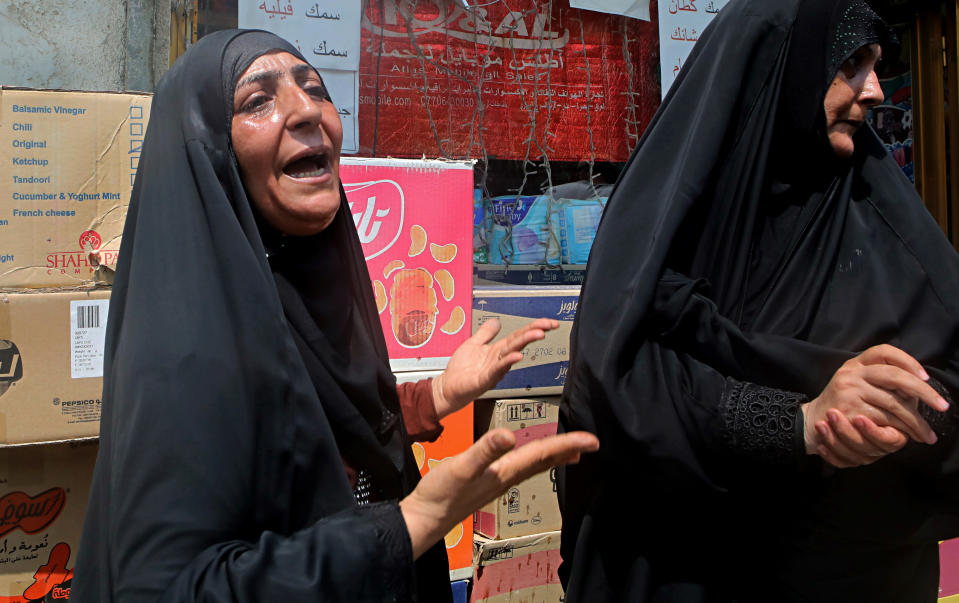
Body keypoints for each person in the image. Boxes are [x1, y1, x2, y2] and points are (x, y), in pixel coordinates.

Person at [69, 30, 598, 603]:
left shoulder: (300, 283)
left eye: (315, 89)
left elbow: (320, 427)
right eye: (257, 101)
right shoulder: (184, 352)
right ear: (211, 153)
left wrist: (437, 395)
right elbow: (169, 587)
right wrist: (412, 521)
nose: (306, 111)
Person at [558, 0, 959, 601]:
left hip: (847, 573)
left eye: (875, 65)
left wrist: (890, 415)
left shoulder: (886, 229)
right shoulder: (669, 234)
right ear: (777, 71)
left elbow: (947, 381)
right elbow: (619, 377)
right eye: (851, 63)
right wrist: (797, 423)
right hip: (678, 568)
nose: (874, 90)